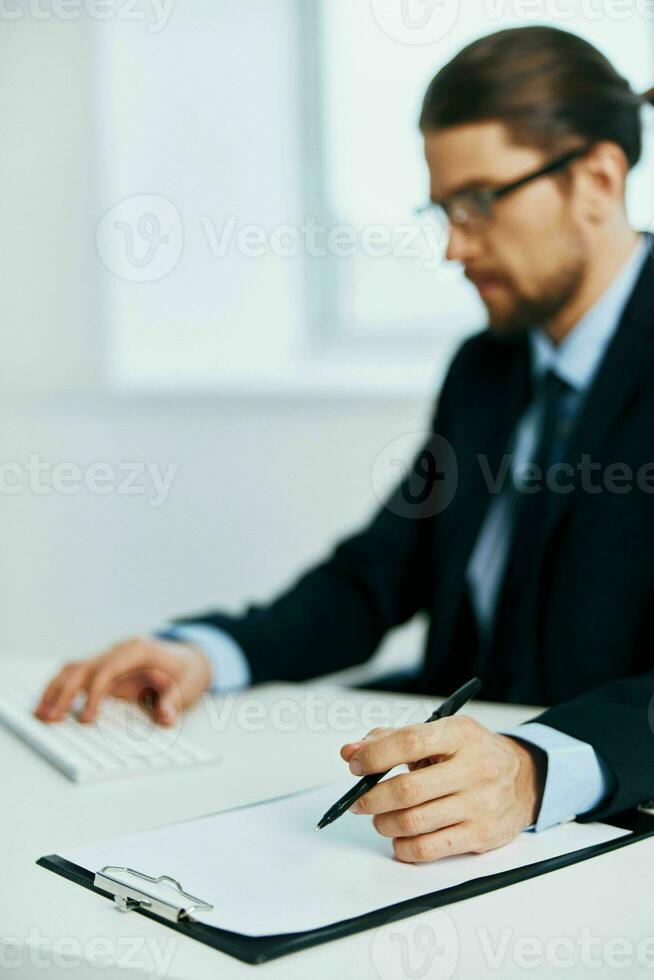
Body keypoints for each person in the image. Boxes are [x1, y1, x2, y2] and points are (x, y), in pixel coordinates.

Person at [36, 27, 654, 864]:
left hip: (604, 818)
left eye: (478, 203)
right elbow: (378, 575)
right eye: (441, 211)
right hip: (442, 801)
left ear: (597, 179)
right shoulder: (487, 365)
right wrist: (207, 654)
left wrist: (538, 768)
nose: (453, 246)